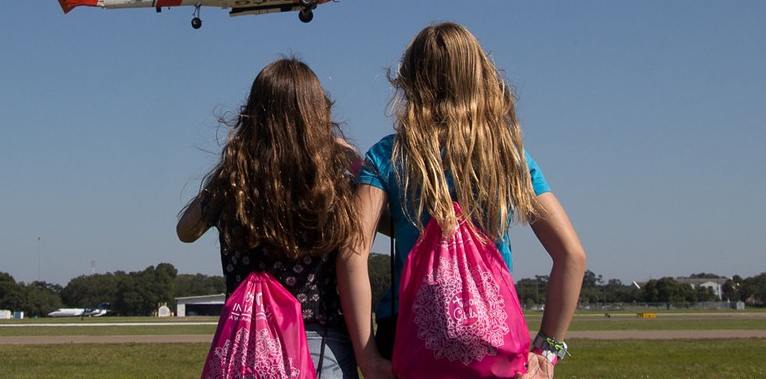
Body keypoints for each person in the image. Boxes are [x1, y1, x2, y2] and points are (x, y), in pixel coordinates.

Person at [338, 22, 586, 379]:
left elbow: (351, 254)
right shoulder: (509, 156)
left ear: (411, 79)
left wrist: (368, 358)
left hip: (407, 332)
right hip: (492, 331)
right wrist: (547, 351)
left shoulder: (388, 155)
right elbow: (572, 256)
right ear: (481, 75)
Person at [178, 57, 365, 378]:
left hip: (249, 340)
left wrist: (227, 171)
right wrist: (355, 163)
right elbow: (374, 227)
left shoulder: (234, 183)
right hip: (317, 340)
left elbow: (186, 230)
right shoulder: (333, 184)